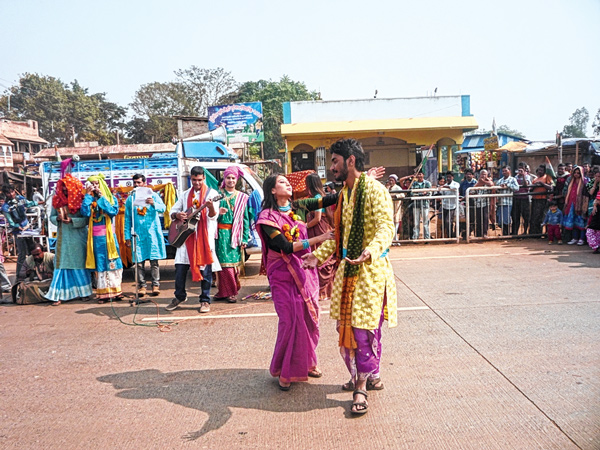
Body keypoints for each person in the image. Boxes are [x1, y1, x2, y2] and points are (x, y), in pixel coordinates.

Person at [302, 138, 397, 416]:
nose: (331, 167)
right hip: (347, 273)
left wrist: (371, 250)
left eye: (334, 161)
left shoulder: (376, 191)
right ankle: (369, 374)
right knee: (346, 331)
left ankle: (360, 386)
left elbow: (385, 227)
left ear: (350, 161)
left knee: (363, 331)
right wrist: (317, 256)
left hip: (370, 272)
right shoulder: (343, 195)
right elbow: (339, 238)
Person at [256, 174, 333, 391]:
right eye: (282, 182)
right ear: (272, 190)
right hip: (281, 274)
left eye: (287, 182)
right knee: (290, 320)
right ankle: (285, 369)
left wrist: (357, 182)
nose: (288, 184)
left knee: (309, 318)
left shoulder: (298, 206)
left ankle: (307, 362)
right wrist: (320, 238)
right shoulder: (266, 218)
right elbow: (285, 247)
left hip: (305, 270)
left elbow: (329, 199)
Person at [165, 166, 219, 313]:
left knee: (206, 271)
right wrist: (178, 216)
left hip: (203, 239)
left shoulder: (212, 194)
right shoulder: (184, 194)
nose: (196, 183)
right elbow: (173, 211)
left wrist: (210, 207)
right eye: (194, 180)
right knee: (180, 270)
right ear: (191, 179)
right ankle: (179, 296)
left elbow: (213, 216)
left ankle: (205, 300)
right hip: (185, 238)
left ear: (204, 179)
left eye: (199, 180)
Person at [45, 174, 93, 306]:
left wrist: (72, 220)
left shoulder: (82, 200)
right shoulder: (57, 201)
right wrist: (58, 219)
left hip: (78, 239)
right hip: (64, 239)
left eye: (68, 188)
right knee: (61, 265)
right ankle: (58, 295)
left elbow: (87, 220)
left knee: (79, 265)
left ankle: (84, 293)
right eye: (63, 188)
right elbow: (51, 218)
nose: (65, 191)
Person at [81, 174, 123, 303]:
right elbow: (85, 213)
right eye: (92, 184)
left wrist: (101, 196)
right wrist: (88, 196)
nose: (94, 186)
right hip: (95, 239)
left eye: (97, 183)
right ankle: (103, 294)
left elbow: (112, 212)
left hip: (109, 237)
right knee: (100, 264)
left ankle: (116, 292)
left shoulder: (110, 198)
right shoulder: (88, 199)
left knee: (113, 262)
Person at [124, 174, 167, 298]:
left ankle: (155, 285)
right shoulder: (130, 199)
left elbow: (163, 209)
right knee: (139, 262)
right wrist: (127, 236)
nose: (136, 185)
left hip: (152, 233)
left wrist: (154, 203)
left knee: (154, 261)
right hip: (138, 235)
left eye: (139, 183)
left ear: (144, 183)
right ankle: (142, 286)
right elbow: (127, 219)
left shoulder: (153, 195)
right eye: (135, 183)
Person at [214, 167, 250, 303]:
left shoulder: (242, 197)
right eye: (228, 177)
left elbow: (245, 219)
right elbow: (209, 216)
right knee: (223, 265)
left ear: (237, 180)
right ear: (224, 179)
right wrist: (217, 213)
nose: (230, 180)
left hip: (235, 235)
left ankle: (231, 292)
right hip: (220, 234)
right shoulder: (218, 195)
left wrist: (245, 238)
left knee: (232, 265)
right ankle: (224, 292)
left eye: (233, 178)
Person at [305, 173, 336, 302]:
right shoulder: (318, 196)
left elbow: (317, 218)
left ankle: (322, 291)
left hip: (318, 230)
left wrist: (304, 226)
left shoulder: (317, 197)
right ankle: (326, 291)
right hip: (319, 229)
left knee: (321, 258)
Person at [1, 185, 40, 281]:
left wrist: (38, 203)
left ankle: (36, 272)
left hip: (27, 228)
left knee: (32, 251)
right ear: (6, 194)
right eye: (8, 193)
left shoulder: (20, 199)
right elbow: (10, 221)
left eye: (12, 191)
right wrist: (17, 226)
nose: (11, 194)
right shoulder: (6, 206)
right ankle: (19, 275)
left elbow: (28, 204)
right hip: (18, 231)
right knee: (22, 253)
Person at [563, 166, 589, 245]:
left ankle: (581, 238)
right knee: (573, 222)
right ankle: (574, 238)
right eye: (575, 173)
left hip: (580, 204)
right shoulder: (571, 181)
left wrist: (584, 205)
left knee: (581, 222)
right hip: (571, 204)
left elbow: (586, 194)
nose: (576, 174)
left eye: (578, 173)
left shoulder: (585, 181)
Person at [530, 165, 554, 236]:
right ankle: (533, 233)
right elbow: (530, 189)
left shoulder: (547, 177)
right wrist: (534, 186)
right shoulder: (535, 179)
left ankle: (540, 233)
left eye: (541, 170)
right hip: (535, 199)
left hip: (543, 200)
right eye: (539, 170)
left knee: (541, 217)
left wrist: (542, 184)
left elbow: (550, 188)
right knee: (534, 217)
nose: (540, 171)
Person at [494, 166, 519, 235]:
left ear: (509, 171)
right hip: (500, 202)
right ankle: (504, 233)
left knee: (506, 219)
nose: (504, 172)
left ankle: (506, 233)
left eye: (506, 171)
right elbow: (496, 189)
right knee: (500, 219)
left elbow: (517, 188)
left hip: (508, 202)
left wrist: (507, 185)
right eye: (503, 171)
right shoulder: (500, 180)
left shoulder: (513, 179)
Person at [411, 171, 432, 240]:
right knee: (416, 222)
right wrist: (422, 193)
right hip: (416, 205)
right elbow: (412, 193)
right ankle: (415, 237)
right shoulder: (414, 184)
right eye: (418, 174)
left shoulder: (427, 183)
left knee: (425, 222)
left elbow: (429, 193)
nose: (419, 176)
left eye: (420, 174)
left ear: (423, 175)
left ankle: (426, 237)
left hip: (425, 204)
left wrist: (419, 193)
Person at [473, 169, 494, 238]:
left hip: (486, 202)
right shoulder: (477, 182)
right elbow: (472, 190)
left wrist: (484, 182)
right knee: (478, 219)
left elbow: (491, 184)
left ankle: (485, 233)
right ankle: (478, 234)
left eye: (484, 174)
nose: (483, 175)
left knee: (485, 218)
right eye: (482, 174)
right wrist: (480, 183)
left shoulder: (489, 181)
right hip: (478, 203)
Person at [512, 167, 532, 235]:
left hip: (525, 198)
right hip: (516, 198)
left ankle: (525, 231)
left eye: (521, 170)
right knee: (515, 216)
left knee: (526, 216)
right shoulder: (515, 177)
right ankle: (515, 232)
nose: (519, 172)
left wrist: (523, 176)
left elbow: (527, 186)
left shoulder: (527, 177)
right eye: (519, 170)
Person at [440, 171, 460, 238]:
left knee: (448, 221)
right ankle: (447, 236)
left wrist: (444, 186)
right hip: (444, 206)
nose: (448, 178)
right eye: (447, 177)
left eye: (450, 177)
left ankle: (451, 236)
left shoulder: (456, 184)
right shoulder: (444, 185)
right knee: (444, 223)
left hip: (452, 206)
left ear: (453, 177)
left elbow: (455, 188)